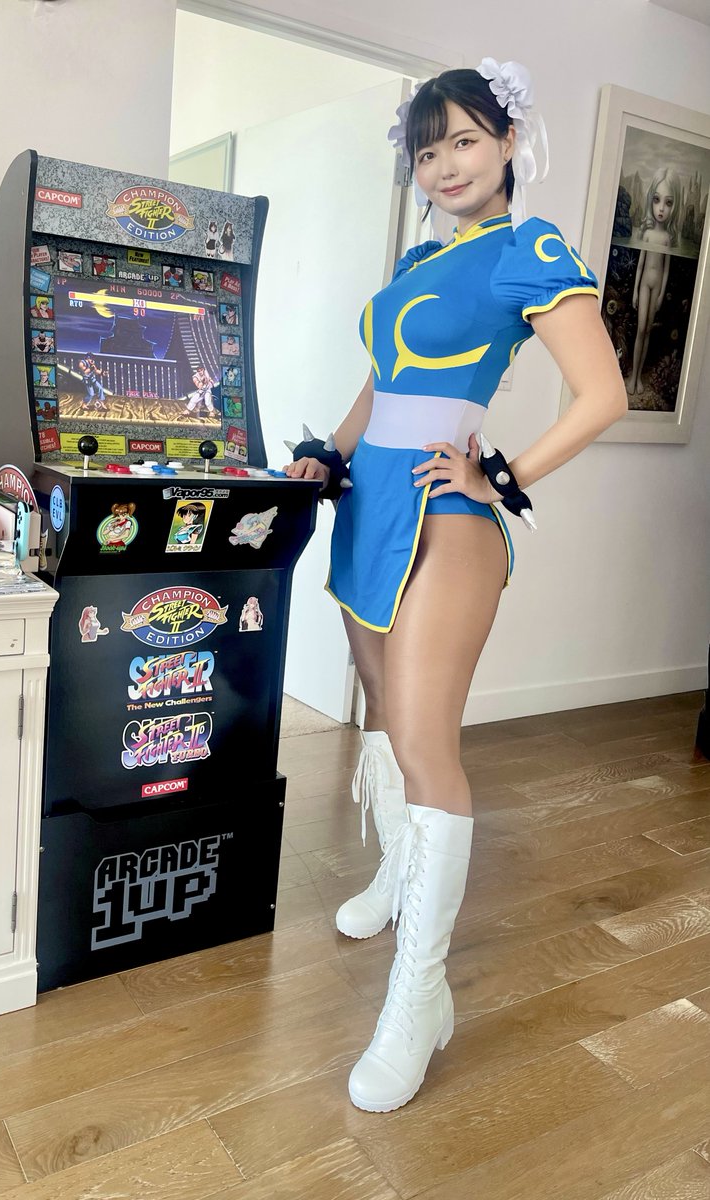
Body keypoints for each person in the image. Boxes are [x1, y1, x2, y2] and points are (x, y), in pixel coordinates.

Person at [284, 59, 626, 1115]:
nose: (445, 165)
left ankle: (419, 996)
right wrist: (324, 457)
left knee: (429, 744)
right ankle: (397, 875)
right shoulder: (418, 260)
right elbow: (378, 386)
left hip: (447, 518)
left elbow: (604, 393)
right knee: (384, 714)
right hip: (368, 509)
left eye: (465, 141)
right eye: (428, 150)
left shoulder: (530, 249)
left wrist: (500, 477)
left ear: (508, 142)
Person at [626, 167, 680, 395]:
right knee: (641, 329)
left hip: (656, 286)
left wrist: (660, 295)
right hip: (644, 285)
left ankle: (638, 376)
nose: (661, 208)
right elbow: (640, 264)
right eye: (657, 200)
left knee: (647, 330)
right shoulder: (647, 235)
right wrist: (635, 291)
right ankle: (632, 377)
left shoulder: (667, 238)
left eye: (668, 203)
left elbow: (666, 270)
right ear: (651, 201)